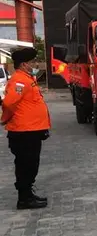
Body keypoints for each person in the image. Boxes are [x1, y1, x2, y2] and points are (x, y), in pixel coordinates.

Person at [1, 47, 50, 210]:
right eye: (32, 62)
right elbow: (8, 103)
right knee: (26, 165)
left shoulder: (26, 78)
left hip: (31, 130)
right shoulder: (19, 81)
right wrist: (5, 119)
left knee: (30, 164)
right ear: (23, 64)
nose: (35, 64)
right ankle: (24, 199)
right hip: (23, 132)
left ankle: (28, 194)